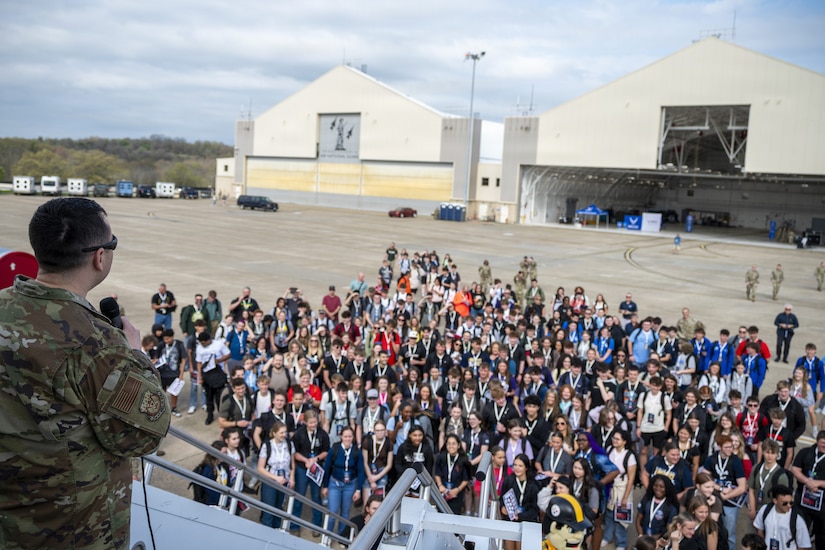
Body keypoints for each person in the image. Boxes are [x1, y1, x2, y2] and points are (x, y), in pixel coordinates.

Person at [0, 198, 171, 549]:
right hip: (72, 531)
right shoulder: (97, 344)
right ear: (99, 257)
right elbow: (144, 434)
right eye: (112, 244)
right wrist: (135, 354)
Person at [322, 426, 364, 535]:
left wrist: (358, 490)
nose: (348, 439)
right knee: (332, 512)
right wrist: (325, 486)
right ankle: (327, 535)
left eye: (350, 436)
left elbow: (361, 471)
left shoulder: (356, 452)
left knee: (345, 513)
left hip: (350, 485)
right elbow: (327, 468)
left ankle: (341, 535)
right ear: (341, 437)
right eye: (345, 436)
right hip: (335, 484)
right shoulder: (334, 449)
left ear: (353, 437)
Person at [257, 420, 294, 529]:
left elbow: (292, 464)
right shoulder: (267, 446)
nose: (284, 435)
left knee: (279, 509)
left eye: (285, 432)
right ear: (274, 433)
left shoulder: (288, 444)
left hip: (284, 481)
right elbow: (260, 468)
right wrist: (275, 478)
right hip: (270, 481)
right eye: (281, 433)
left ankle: (276, 532)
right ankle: (266, 535)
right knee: (269, 510)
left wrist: (291, 477)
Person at [753, 484, 812, 550]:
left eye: (791, 503)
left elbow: (803, 545)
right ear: (775, 501)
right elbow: (759, 528)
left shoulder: (797, 519)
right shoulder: (765, 509)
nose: (789, 506)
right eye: (785, 503)